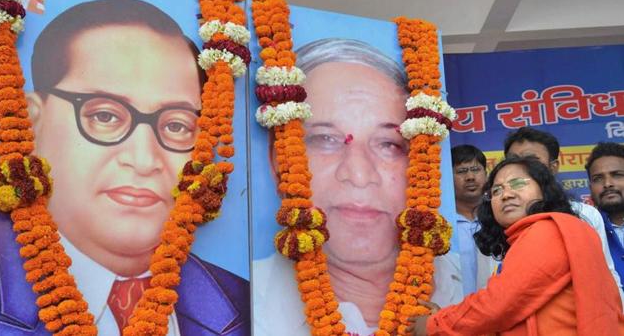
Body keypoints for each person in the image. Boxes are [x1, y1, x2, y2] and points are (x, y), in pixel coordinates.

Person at [0, 0, 249, 336]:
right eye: (105, 116)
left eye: (176, 125)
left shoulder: (241, 304)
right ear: (31, 123)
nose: (144, 160)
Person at [253, 38, 462, 336]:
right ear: (279, 163)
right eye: (326, 139)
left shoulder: (464, 285)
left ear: (422, 166)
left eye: (389, 144)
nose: (359, 174)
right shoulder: (233, 303)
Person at [409, 156, 624, 335]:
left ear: (544, 191)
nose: (506, 194)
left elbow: (498, 305)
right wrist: (444, 316)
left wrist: (433, 325)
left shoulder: (546, 230)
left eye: (518, 184)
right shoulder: (531, 236)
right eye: (496, 191)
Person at [504, 126, 624, 302]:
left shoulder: (584, 215)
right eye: (513, 161)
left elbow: (606, 275)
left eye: (531, 160)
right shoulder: (501, 215)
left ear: (553, 167)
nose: (521, 169)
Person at [451, 145, 497, 296]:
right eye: (461, 171)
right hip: (450, 311)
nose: (470, 177)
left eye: (476, 170)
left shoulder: (499, 218)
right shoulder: (441, 224)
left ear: (486, 174)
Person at [586, 141, 624, 295]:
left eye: (617, 175)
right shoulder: (584, 231)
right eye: (598, 179)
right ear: (590, 187)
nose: (607, 184)